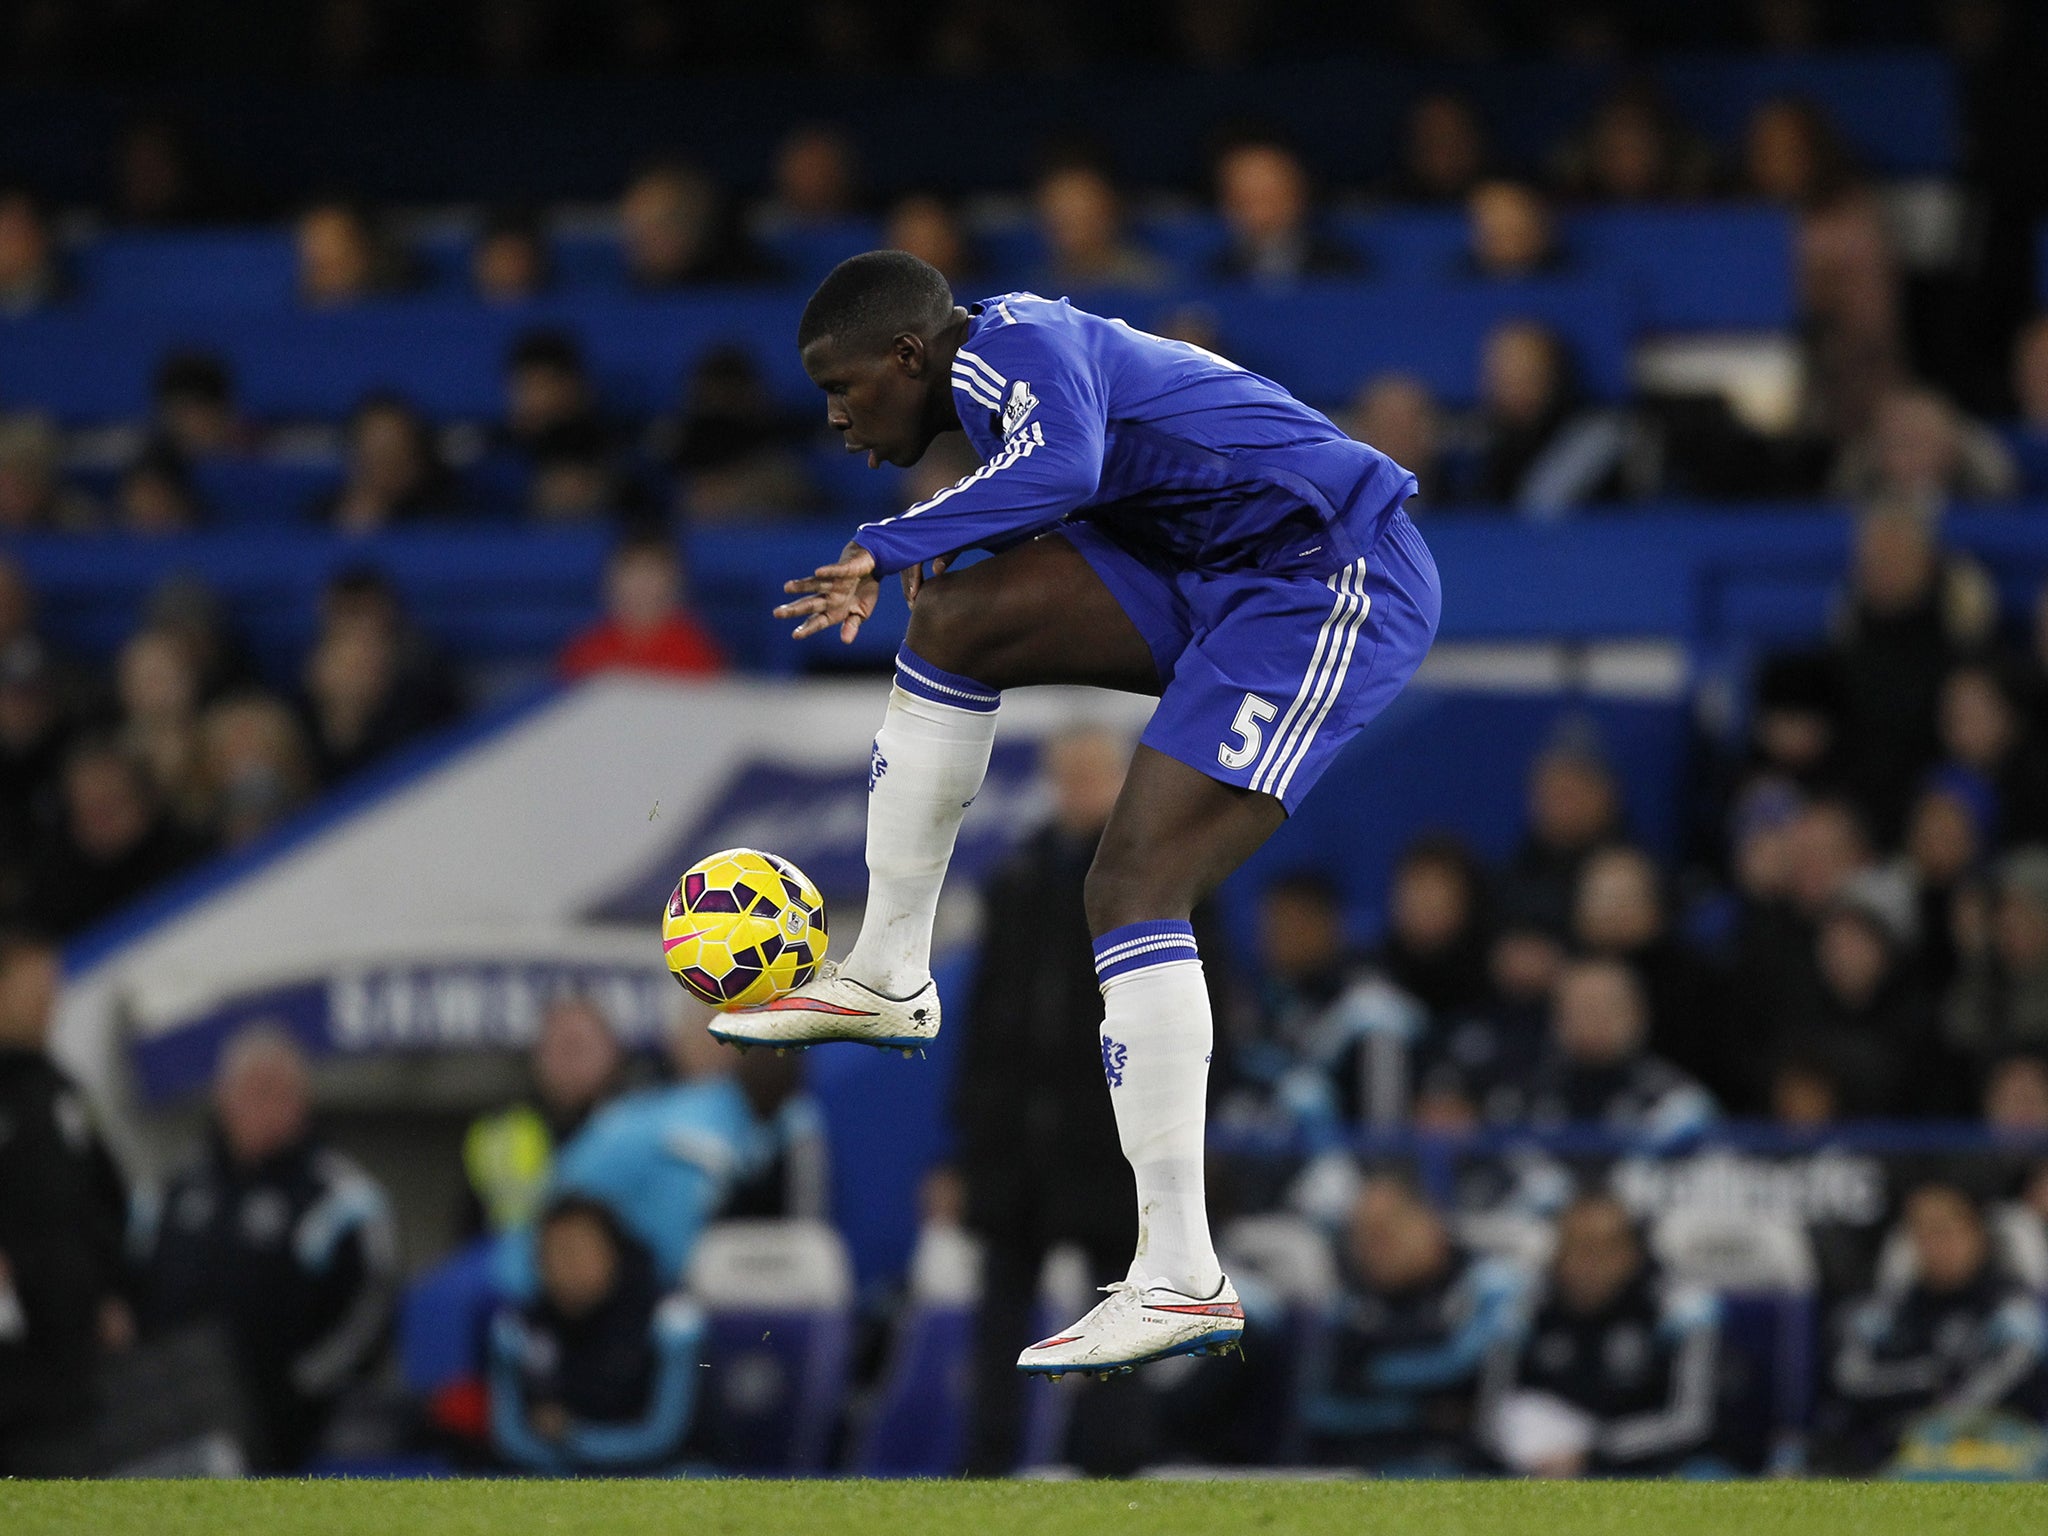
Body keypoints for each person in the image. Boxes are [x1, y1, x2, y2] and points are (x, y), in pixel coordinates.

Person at [718, 249, 1439, 1378]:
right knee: (956, 619)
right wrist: (926, 542)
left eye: (843, 389)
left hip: (1322, 575)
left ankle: (1181, 1277)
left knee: (1131, 885)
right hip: (1198, 556)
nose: (836, 420)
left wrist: (886, 540)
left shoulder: (1019, 345)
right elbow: (1059, 472)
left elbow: (1062, 467)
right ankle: (888, 973)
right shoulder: (998, 365)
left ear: (908, 355)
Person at [942, 725, 1222, 1472]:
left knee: (1124, 1302)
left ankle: (1111, 1465)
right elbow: (987, 1020)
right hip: (1017, 1142)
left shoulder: (1161, 878)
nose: (1080, 793)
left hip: (1113, 1143)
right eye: (1069, 777)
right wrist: (964, 1138)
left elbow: (1203, 1014)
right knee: (1001, 1307)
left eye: (1094, 777)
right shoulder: (1020, 879)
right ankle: (990, 1464)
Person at [136, 1028, 399, 1470]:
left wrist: (304, 1384)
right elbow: (135, 1291)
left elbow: (374, 1305)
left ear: (302, 1102)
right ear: (223, 1097)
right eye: (251, 1091)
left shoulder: (340, 1198)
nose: (264, 1108)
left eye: (278, 1092)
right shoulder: (173, 1191)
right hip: (175, 1426)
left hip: (292, 1434)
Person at [0, 940, 130, 1475]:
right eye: (34, 990)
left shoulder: (65, 1094)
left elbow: (109, 1198)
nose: (47, 1003)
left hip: (70, 1356)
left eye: (52, 991)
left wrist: (111, 1290)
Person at [1481, 1193, 1720, 1478]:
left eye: (1605, 1248)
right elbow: (1490, 1415)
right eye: (1576, 1247)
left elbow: (1693, 1421)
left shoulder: (1678, 1309)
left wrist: (1595, 1452)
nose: (1589, 1263)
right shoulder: (1524, 1309)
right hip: (1540, 1467)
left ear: (1632, 1253)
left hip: (1648, 1469)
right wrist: (1536, 1456)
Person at [1817, 1182, 2048, 1473]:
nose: (1935, 1245)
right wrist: (1927, 1379)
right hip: (1903, 1444)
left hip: (1995, 1443)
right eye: (1921, 1232)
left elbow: (2016, 1373)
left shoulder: (2010, 1308)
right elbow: (1849, 1378)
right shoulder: (1889, 1310)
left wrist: (1946, 1410)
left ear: (1976, 1233)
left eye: (1946, 1229)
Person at [1301, 1175, 1527, 1472]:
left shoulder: (1486, 1285)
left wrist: (1374, 1371)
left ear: (1428, 1222)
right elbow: (1321, 1410)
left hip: (1469, 1467)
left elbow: (1481, 1384)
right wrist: (1418, 1411)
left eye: (1386, 1231)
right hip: (1362, 1467)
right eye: (1363, 1235)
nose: (1374, 1247)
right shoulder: (1348, 1303)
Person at [487, 1195, 704, 1473]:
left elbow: (667, 1436)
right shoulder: (517, 1329)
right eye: (552, 1252)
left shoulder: (672, 1320)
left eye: (579, 1250)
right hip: (556, 1474)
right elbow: (509, 1439)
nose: (566, 1266)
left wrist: (573, 1437)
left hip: (668, 1473)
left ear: (614, 1253)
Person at [1487, 958, 1717, 1138]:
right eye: (1580, 1008)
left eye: (1605, 1008)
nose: (1593, 1020)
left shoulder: (1679, 1102)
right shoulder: (1521, 1099)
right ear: (1556, 1018)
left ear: (1637, 1015)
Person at [463, 995, 627, 1237]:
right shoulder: (500, 1132)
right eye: (558, 1047)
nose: (569, 1060)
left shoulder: (639, 1128)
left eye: (579, 1046)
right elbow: (470, 1231)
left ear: (612, 1053)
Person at [557, 530, 726, 682]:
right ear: (609, 582)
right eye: (633, 574)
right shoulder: (586, 649)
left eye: (651, 575)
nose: (641, 588)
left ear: (675, 585)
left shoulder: (696, 650)